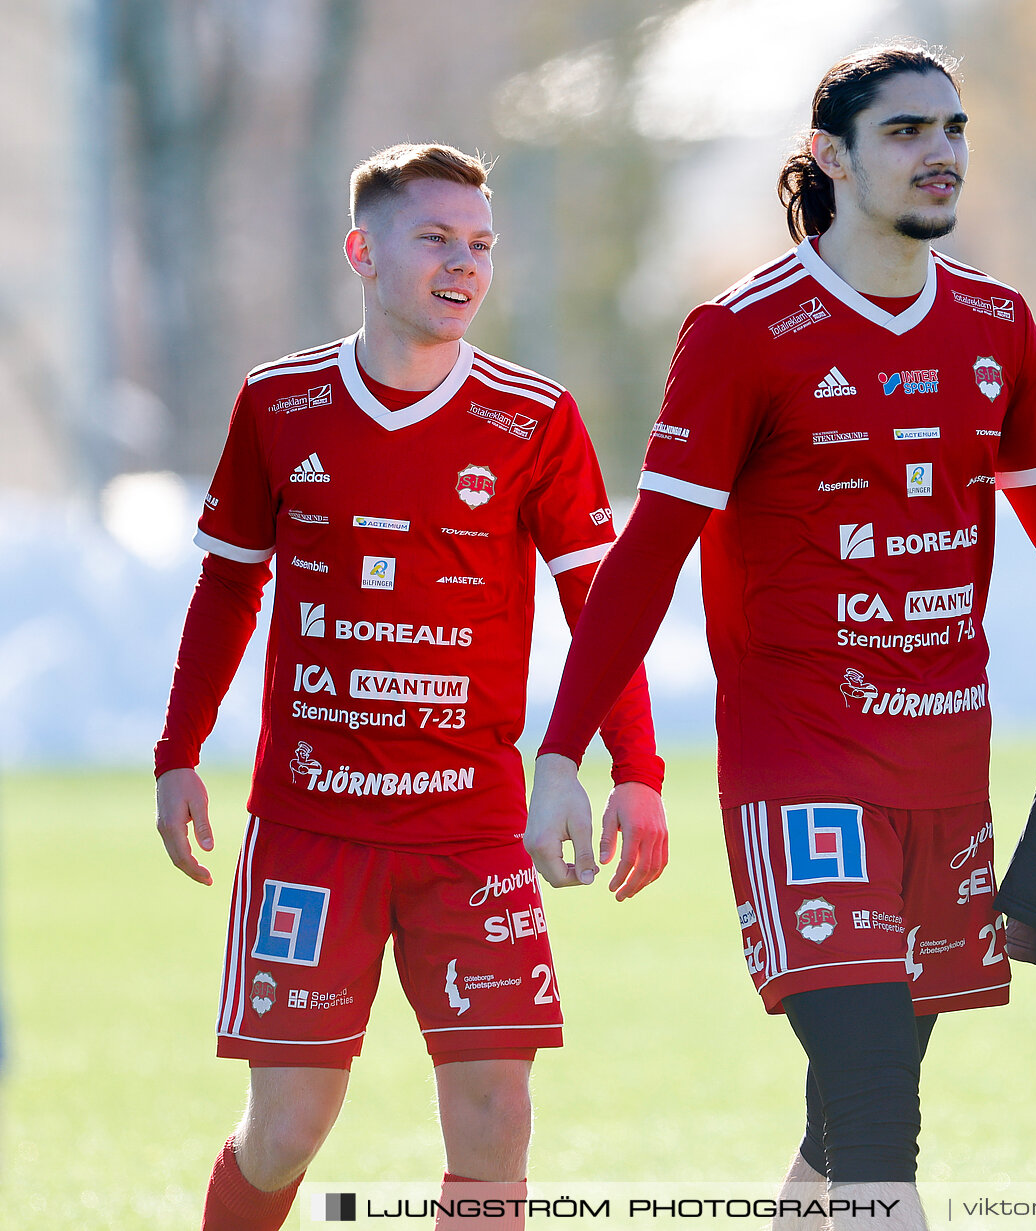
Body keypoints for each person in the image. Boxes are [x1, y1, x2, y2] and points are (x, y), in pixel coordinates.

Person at [528, 44, 1036, 1229]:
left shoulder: (997, 328)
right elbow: (642, 560)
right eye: (906, 131)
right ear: (832, 157)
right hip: (802, 769)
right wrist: (567, 750)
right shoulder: (742, 333)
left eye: (953, 128)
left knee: (852, 1109)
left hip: (946, 767)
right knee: (873, 1112)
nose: (942, 151)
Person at [152, 143, 669, 1231]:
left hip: (471, 830)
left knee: (497, 1115)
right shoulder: (279, 405)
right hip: (312, 825)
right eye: (435, 237)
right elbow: (226, 588)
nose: (463, 264)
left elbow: (601, 609)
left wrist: (637, 770)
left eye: (480, 244)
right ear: (363, 250)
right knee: (288, 1124)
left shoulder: (535, 418)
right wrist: (177, 752)